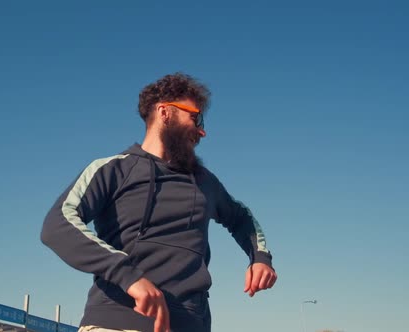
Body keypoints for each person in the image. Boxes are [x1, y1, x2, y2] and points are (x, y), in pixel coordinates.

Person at [41, 73, 277, 332]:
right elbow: (58, 225)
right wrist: (128, 276)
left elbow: (240, 217)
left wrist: (260, 258)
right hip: (118, 321)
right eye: (195, 117)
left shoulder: (205, 182)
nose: (202, 131)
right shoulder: (114, 169)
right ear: (165, 112)